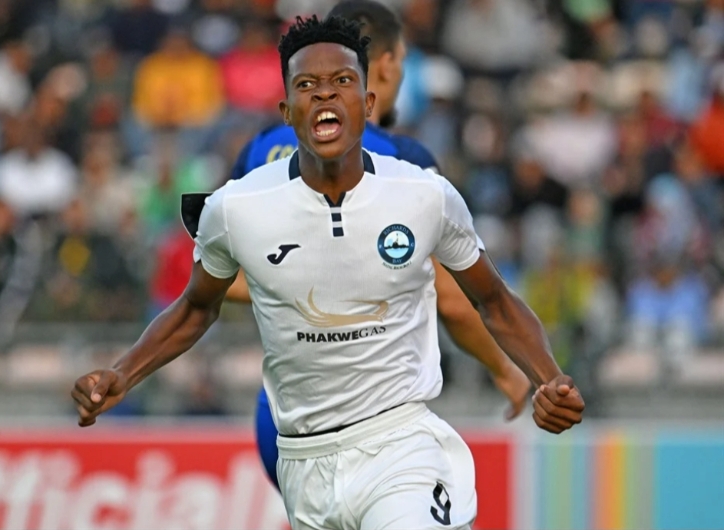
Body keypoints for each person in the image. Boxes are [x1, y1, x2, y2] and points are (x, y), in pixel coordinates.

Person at [72, 15, 584, 530]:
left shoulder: (425, 195)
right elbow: (194, 309)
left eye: (342, 80)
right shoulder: (235, 208)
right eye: (306, 85)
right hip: (303, 465)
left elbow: (492, 300)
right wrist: (122, 373)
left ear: (368, 102)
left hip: (401, 447)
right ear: (286, 112)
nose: (324, 94)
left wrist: (549, 379)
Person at [228, 0, 531, 490]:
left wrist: (302, 293)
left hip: (282, 416)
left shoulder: (259, 148)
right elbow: (451, 298)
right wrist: (505, 369)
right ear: (386, 65)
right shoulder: (403, 164)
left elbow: (220, 279)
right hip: (376, 424)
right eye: (403, 60)